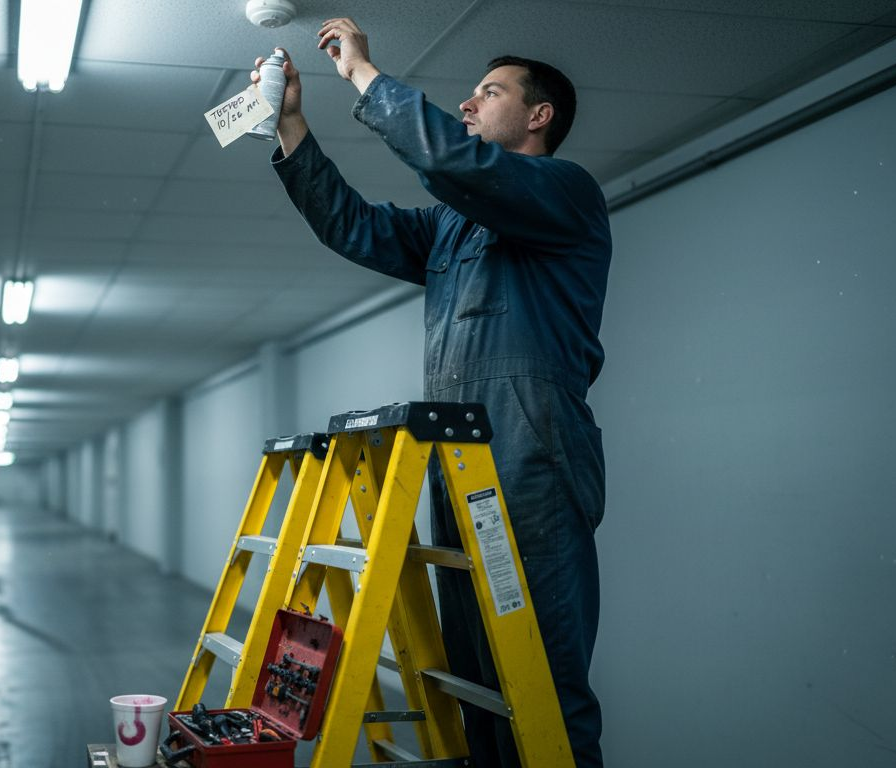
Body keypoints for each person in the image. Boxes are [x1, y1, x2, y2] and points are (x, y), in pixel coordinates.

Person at [257, 17, 611, 768]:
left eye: (489, 91)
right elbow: (353, 226)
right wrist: (291, 126)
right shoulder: (454, 227)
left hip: (537, 460)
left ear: (539, 116)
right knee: (479, 675)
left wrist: (361, 73)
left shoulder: (566, 192)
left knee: (543, 676)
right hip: (468, 464)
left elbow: (458, 165)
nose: (469, 103)